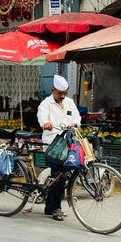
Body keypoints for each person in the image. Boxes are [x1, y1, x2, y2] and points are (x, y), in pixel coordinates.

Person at [37, 75, 81, 221]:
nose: (62, 96)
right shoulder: (45, 104)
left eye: (64, 93)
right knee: (59, 174)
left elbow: (76, 117)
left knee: (61, 175)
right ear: (53, 90)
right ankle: (55, 208)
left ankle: (50, 207)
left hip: (67, 143)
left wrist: (75, 124)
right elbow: (41, 117)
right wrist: (46, 123)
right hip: (53, 146)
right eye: (59, 93)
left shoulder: (69, 102)